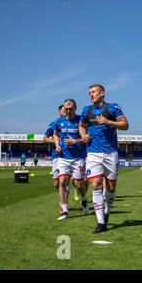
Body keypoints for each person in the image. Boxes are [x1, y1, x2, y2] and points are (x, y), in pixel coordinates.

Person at [79, 84, 129, 234]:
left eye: (93, 92)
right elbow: (81, 126)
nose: (91, 94)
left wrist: (108, 122)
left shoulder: (113, 107)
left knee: (111, 188)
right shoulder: (86, 110)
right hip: (93, 153)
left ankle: (107, 211)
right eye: (89, 92)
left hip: (111, 153)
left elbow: (125, 125)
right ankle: (100, 222)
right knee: (95, 184)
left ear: (102, 93)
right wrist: (83, 135)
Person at [54, 99, 89, 221]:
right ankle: (64, 209)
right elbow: (56, 134)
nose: (68, 111)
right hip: (63, 156)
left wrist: (76, 141)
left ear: (75, 108)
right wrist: (57, 145)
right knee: (62, 181)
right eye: (66, 109)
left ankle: (84, 199)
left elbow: (87, 138)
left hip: (78, 157)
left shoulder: (81, 121)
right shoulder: (59, 121)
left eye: (70, 109)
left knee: (78, 184)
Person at [43, 104, 66, 192]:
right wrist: (56, 142)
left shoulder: (72, 123)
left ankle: (64, 203)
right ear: (59, 112)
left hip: (69, 155)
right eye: (64, 111)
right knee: (56, 183)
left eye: (67, 110)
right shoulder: (53, 124)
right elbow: (45, 138)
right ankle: (59, 191)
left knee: (66, 180)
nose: (66, 112)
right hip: (56, 155)